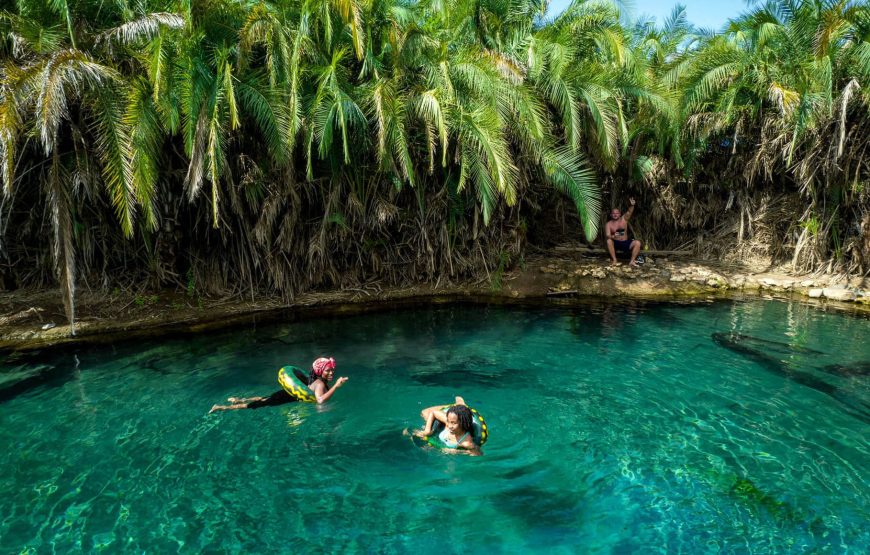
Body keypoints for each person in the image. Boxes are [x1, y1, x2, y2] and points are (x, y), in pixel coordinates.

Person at [209, 357, 348, 413]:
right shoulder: (320, 385)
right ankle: (221, 407)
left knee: (264, 398)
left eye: (332, 370)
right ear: (320, 371)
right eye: (328, 370)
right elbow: (320, 400)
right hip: (286, 398)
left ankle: (239, 399)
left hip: (287, 394)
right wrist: (336, 385)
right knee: (258, 404)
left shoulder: (315, 379)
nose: (331, 373)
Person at [410, 396, 481, 455]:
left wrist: (457, 452)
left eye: (453, 423)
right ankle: (458, 404)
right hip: (448, 421)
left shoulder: (466, 442)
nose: (449, 426)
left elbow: (478, 454)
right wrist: (427, 431)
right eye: (448, 421)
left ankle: (460, 404)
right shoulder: (448, 423)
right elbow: (434, 413)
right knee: (423, 412)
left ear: (463, 423)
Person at [604, 197, 642, 267]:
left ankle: (632, 261)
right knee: (609, 241)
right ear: (611, 215)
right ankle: (614, 260)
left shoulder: (624, 219)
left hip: (625, 242)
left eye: (617, 213)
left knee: (637, 243)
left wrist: (632, 205)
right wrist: (613, 236)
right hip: (616, 243)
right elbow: (608, 235)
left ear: (619, 214)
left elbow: (629, 212)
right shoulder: (608, 224)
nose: (615, 214)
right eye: (613, 213)